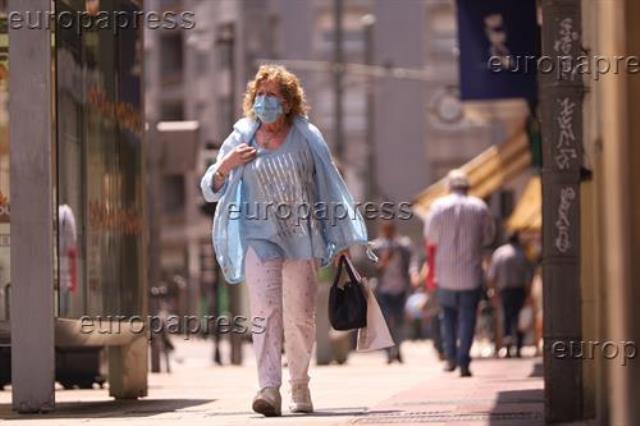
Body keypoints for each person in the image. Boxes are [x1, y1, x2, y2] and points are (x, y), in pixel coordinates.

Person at [200, 65, 374, 417]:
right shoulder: (242, 136)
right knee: (264, 311)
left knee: (299, 315)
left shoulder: (307, 137)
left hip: (301, 238)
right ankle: (268, 388)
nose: (264, 102)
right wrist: (226, 165)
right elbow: (208, 188)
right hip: (258, 236)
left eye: (272, 96)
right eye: (259, 95)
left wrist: (338, 238)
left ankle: (299, 383)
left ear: (289, 102)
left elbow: (328, 187)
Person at [424, 169, 495, 377]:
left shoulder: (437, 207)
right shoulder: (480, 207)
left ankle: (450, 358)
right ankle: (464, 360)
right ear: (468, 187)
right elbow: (489, 236)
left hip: (444, 273)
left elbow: (431, 237)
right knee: (467, 319)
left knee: (447, 317)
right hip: (471, 273)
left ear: (449, 187)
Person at [371, 220, 414, 363]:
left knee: (399, 321)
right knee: (387, 320)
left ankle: (398, 348)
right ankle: (389, 351)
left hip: (400, 288)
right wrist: (383, 261)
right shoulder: (377, 246)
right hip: (384, 289)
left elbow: (410, 263)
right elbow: (373, 269)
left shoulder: (402, 246)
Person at [487, 232, 534, 358]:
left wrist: (493, 291)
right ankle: (518, 347)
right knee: (518, 317)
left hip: (504, 290)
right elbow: (528, 276)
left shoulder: (499, 253)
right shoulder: (522, 254)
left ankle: (507, 345)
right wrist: (529, 293)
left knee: (506, 317)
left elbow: (492, 275)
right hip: (519, 290)